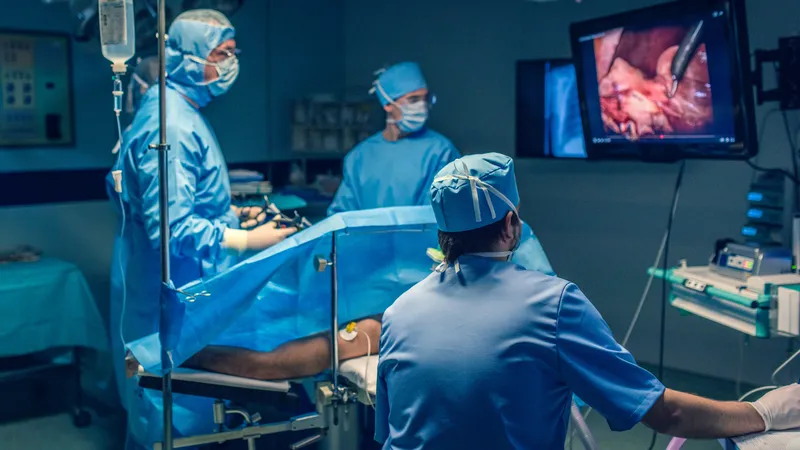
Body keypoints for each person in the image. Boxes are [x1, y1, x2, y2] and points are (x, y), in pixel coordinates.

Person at [375, 153, 800, 449]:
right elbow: (664, 415)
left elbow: (393, 432)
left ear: (443, 233)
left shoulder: (398, 312)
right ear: (511, 224)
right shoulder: (553, 304)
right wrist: (762, 413)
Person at [106, 9, 296, 449]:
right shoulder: (168, 125)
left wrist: (233, 216)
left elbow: (188, 200)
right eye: (221, 53)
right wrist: (247, 239)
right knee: (173, 414)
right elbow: (171, 229)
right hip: (170, 293)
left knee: (183, 407)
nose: (231, 63)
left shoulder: (181, 111)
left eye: (233, 52)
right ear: (188, 57)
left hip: (176, 286)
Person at [327, 62, 460, 215]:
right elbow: (342, 217)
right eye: (413, 100)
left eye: (426, 99)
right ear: (388, 104)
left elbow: (440, 214)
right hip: (368, 239)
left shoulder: (440, 151)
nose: (422, 107)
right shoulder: (359, 157)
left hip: (420, 239)